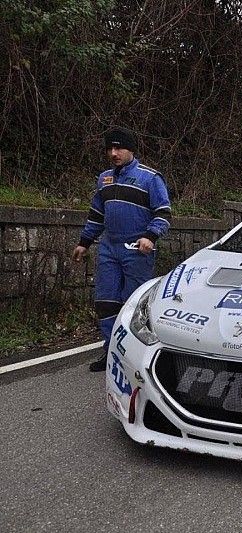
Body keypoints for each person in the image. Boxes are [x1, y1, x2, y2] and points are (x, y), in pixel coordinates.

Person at [72, 127, 171, 372]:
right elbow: (96, 214)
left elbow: (164, 214)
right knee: (106, 302)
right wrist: (84, 242)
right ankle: (110, 351)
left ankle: (135, 356)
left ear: (131, 150)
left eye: (119, 148)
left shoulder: (150, 178)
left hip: (137, 250)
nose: (114, 153)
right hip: (109, 248)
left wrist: (150, 236)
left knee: (132, 304)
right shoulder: (104, 179)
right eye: (110, 149)